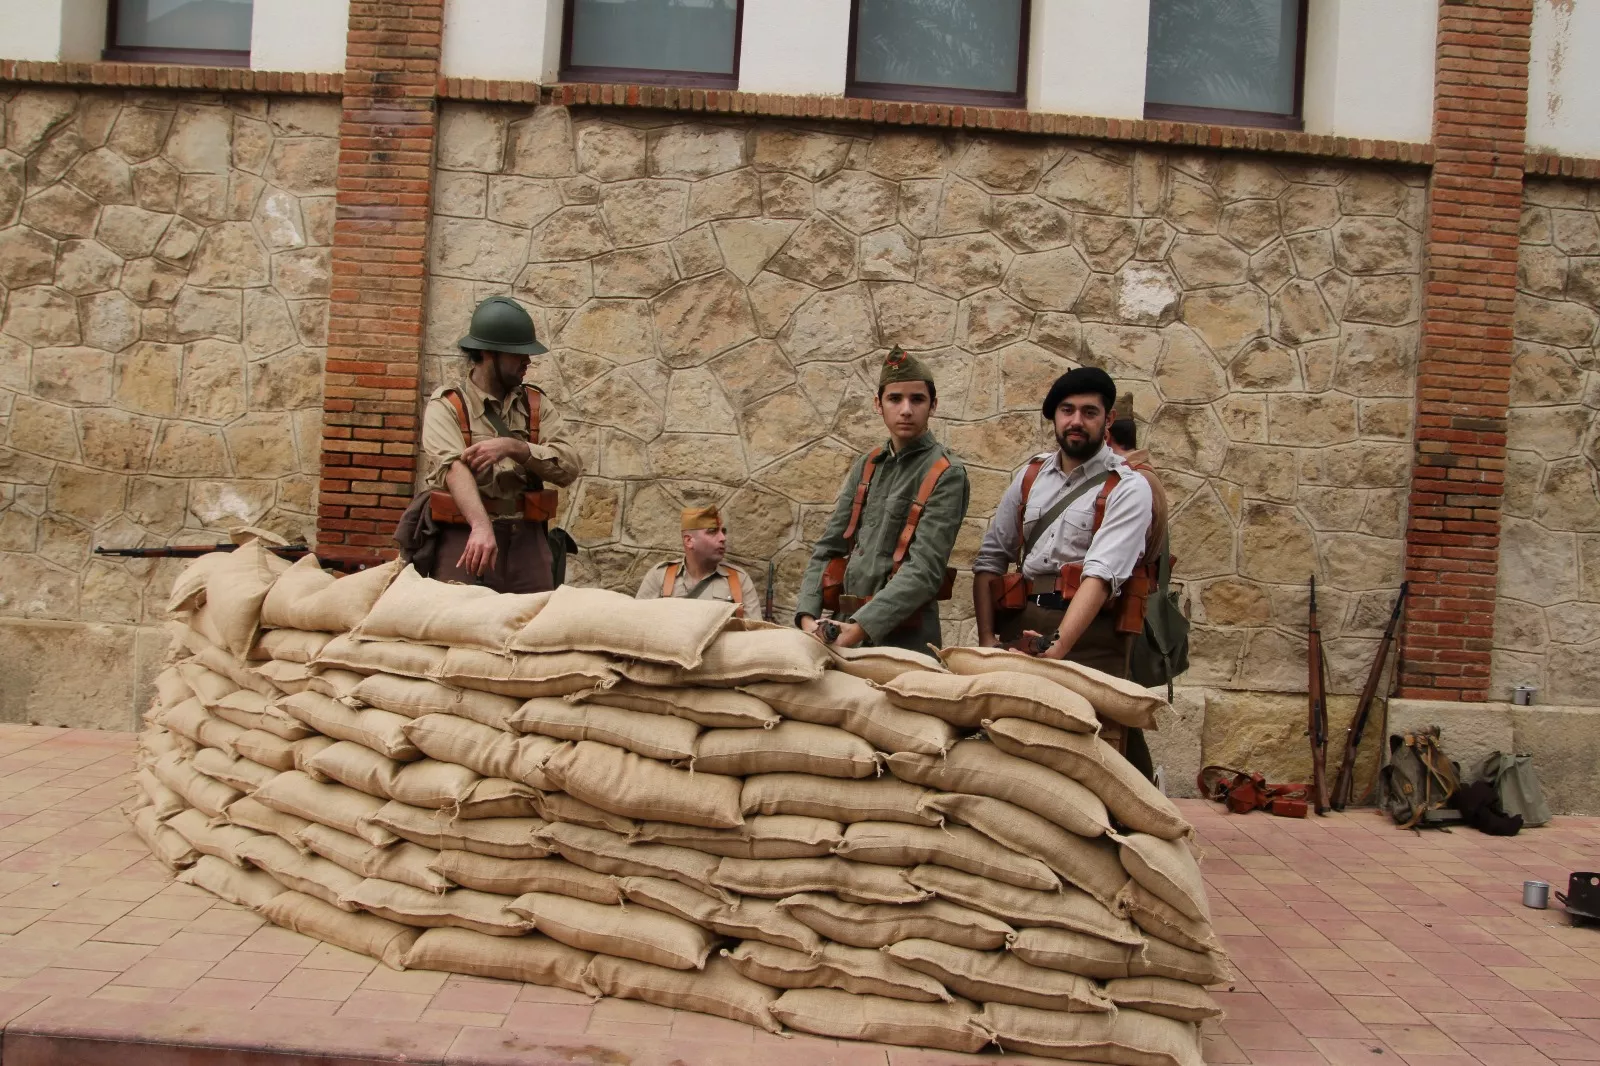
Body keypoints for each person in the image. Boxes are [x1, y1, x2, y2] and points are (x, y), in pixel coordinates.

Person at [795, 348, 970, 652]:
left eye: (917, 399)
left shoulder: (947, 473)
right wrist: (808, 618)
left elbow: (924, 569)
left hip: (903, 640)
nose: (906, 410)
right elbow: (829, 548)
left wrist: (860, 629)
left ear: (933, 405)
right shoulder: (868, 465)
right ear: (878, 404)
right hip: (841, 630)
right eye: (895, 399)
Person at [417, 295, 581, 592]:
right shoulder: (449, 405)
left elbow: (569, 467)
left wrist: (515, 447)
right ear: (489, 353)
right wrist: (481, 526)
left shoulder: (535, 405)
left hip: (527, 539)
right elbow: (452, 469)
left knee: (534, 617)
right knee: (460, 617)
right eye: (518, 354)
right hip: (467, 536)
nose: (527, 361)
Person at [637, 505, 764, 619]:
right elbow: (636, 624)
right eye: (712, 531)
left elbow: (754, 633)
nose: (723, 538)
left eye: (723, 532)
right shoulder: (660, 576)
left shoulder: (738, 580)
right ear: (689, 541)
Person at [1107, 417, 1169, 570]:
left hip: (1126, 579)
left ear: (1107, 437)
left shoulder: (1133, 477)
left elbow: (1125, 548)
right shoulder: (1141, 472)